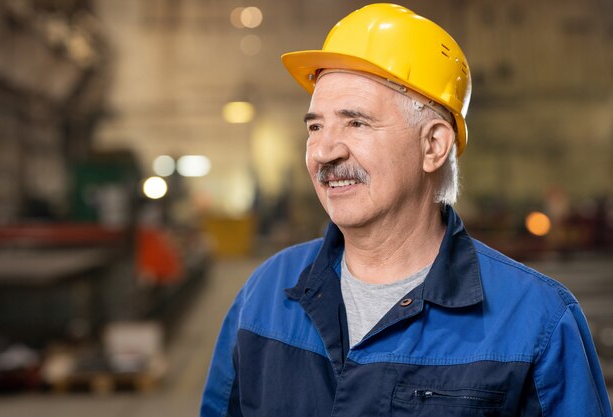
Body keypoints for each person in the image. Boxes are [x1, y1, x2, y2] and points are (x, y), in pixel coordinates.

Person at [201, 4, 612, 416]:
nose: (324, 150)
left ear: (433, 145)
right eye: (315, 126)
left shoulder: (537, 322)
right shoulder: (265, 295)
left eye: (356, 123)